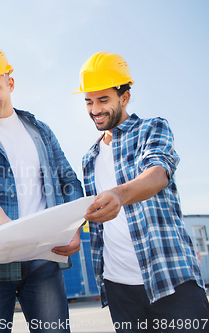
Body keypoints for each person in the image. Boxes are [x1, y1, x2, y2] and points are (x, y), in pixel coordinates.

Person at [0, 45, 84, 333]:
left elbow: (68, 180)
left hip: (43, 260)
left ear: (10, 83)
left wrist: (75, 226)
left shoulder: (40, 131)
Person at [76, 51, 209, 333]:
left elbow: (158, 172)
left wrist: (119, 195)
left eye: (103, 100)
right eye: (89, 101)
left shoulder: (152, 128)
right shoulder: (89, 158)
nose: (95, 109)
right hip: (119, 287)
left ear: (124, 97)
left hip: (171, 277)